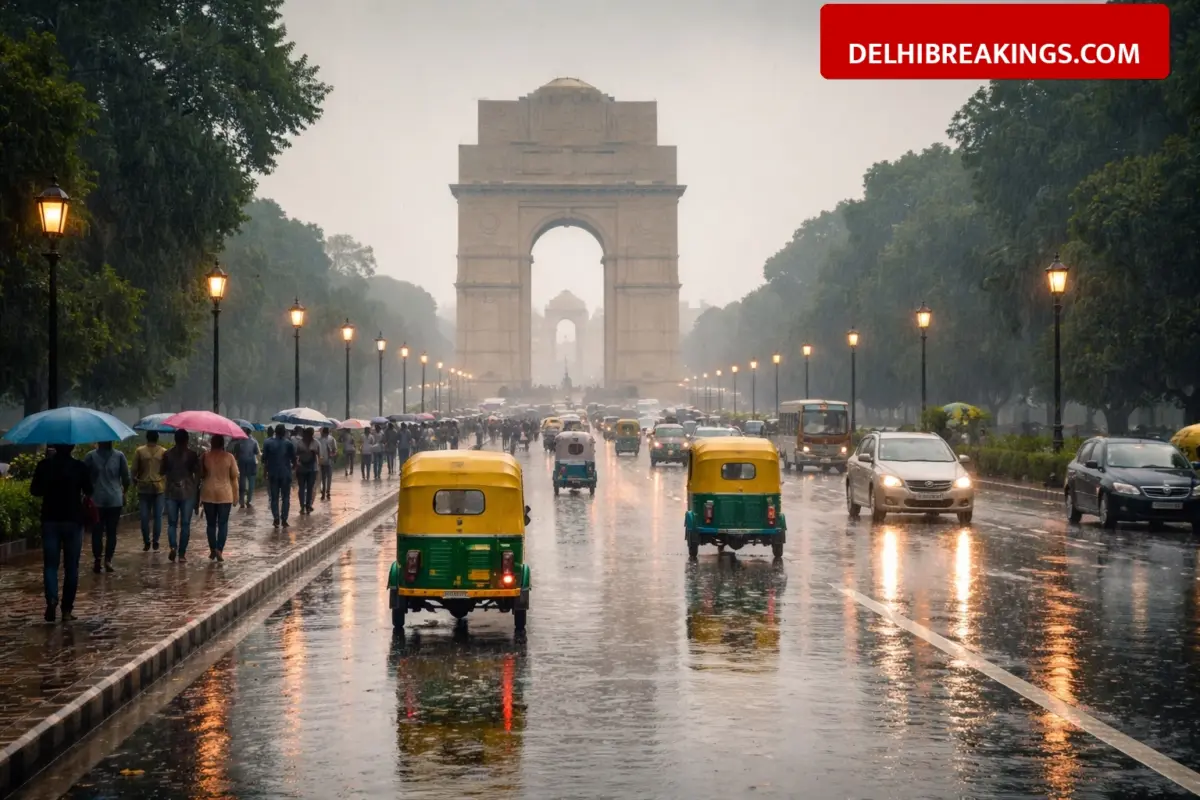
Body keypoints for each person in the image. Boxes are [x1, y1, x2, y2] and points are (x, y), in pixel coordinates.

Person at [30, 444, 93, 622]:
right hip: (73, 520)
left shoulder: (44, 465)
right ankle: (66, 610)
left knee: (50, 565)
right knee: (71, 567)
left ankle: (51, 599)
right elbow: (89, 490)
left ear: (55, 447)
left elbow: (34, 490)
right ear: (73, 446)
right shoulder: (79, 467)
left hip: (50, 519)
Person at [83, 441, 130, 574]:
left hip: (96, 500)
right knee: (111, 532)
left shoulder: (90, 456)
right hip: (115, 499)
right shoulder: (120, 456)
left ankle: (97, 559)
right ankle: (108, 559)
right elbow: (126, 478)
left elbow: (83, 477)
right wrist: (124, 492)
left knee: (97, 532)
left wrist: (87, 492)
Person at [161, 429, 200, 562]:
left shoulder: (167, 454)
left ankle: (173, 546)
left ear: (175, 440)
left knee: (172, 523)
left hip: (171, 491)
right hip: (188, 492)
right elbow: (198, 473)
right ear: (187, 440)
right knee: (185, 524)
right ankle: (182, 554)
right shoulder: (192, 455)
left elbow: (161, 471)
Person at [200, 434, 238, 562]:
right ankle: (219, 549)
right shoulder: (229, 457)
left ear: (212, 443)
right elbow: (234, 475)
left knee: (211, 524)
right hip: (225, 495)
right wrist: (236, 496)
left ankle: (212, 549)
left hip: (208, 493)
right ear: (223, 444)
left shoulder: (205, 456)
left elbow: (200, 474)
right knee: (223, 524)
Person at [132, 431, 166, 551]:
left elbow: (134, 470)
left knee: (149, 516)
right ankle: (151, 541)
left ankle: (150, 541)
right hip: (151, 487)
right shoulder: (160, 451)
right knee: (153, 517)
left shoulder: (160, 451)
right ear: (157, 438)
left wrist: (134, 482)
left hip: (152, 487)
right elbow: (134, 469)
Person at [262, 424, 296, 527]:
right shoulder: (289, 444)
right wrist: (293, 469)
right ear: (284, 432)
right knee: (286, 497)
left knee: (274, 497)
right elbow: (294, 459)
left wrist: (265, 471)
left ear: (275, 432)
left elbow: (264, 459)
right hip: (286, 474)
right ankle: (284, 519)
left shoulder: (267, 443)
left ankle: (276, 518)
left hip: (273, 474)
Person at [231, 428, 260, 509]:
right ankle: (249, 501)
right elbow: (256, 452)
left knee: (242, 483)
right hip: (252, 464)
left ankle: (241, 502)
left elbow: (235, 455)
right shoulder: (254, 441)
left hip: (242, 463)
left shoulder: (239, 442)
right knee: (251, 483)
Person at [295, 427, 319, 513]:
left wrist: (314, 452)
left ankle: (308, 505)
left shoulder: (316, 443)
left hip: (312, 468)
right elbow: (296, 455)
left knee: (310, 488)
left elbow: (320, 456)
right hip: (301, 468)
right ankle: (302, 506)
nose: (309, 436)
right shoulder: (299, 443)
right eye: (308, 434)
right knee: (301, 487)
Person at [316, 426, 338, 500]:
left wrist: (331, 454)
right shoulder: (319, 440)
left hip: (329, 461)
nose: (323, 434)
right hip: (322, 461)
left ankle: (327, 491)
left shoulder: (331, 439)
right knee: (323, 477)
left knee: (328, 477)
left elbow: (335, 450)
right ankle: (324, 492)